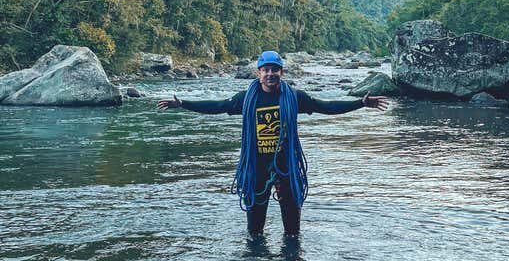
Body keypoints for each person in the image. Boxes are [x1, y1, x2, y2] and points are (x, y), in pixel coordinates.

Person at [157, 50, 388, 238]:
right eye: (266, 70)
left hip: (286, 167)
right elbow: (217, 106)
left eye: (274, 70)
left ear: (281, 72)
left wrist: (360, 103)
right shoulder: (245, 99)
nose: (270, 74)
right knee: (255, 232)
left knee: (292, 233)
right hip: (256, 168)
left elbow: (325, 107)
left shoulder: (295, 97)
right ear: (258, 73)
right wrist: (183, 104)